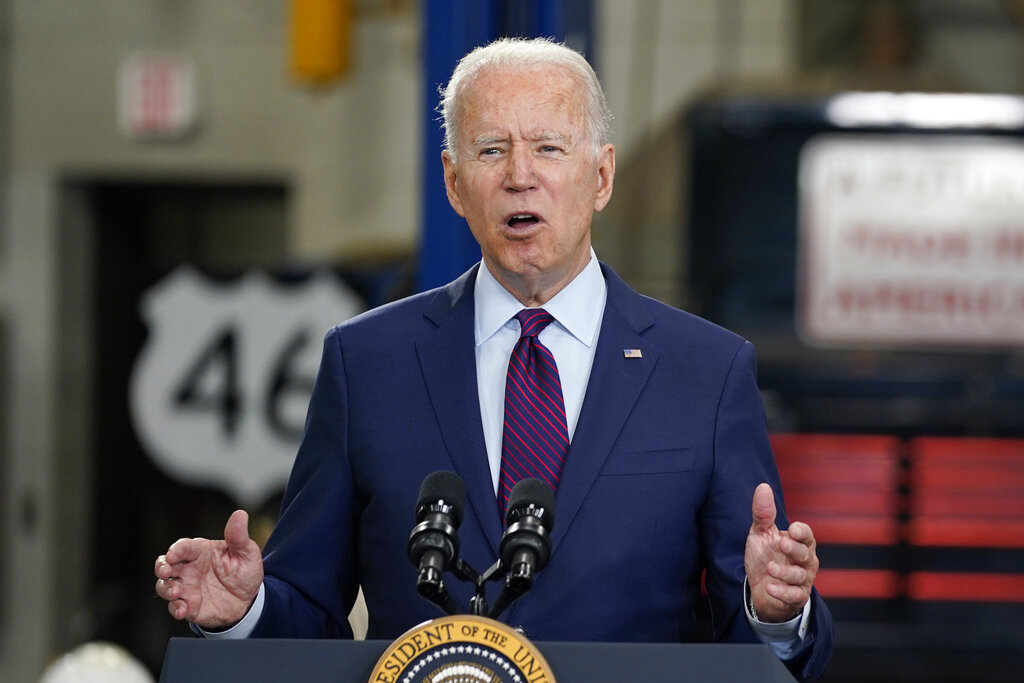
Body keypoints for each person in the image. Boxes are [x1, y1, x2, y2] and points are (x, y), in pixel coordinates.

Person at [154, 37, 833, 680]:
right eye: (490, 150)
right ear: (453, 183)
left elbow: (758, 658)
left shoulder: (705, 372)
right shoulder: (366, 363)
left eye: (547, 147)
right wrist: (246, 611)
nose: (519, 176)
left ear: (600, 176)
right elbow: (308, 613)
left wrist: (775, 611)